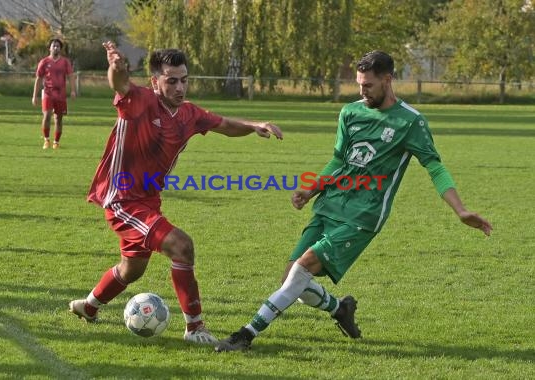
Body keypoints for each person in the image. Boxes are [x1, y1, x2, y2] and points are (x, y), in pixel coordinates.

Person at [215, 50, 493, 352]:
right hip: (330, 204)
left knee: (302, 269)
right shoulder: (350, 112)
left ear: (387, 80)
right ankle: (340, 309)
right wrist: (312, 189)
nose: (362, 91)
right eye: (359, 84)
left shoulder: (410, 122)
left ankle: (245, 335)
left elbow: (435, 167)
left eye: (368, 85)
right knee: (291, 282)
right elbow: (339, 160)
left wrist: (461, 209)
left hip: (363, 215)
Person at [68, 41, 283, 345]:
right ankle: (194, 328)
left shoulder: (188, 114)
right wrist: (115, 67)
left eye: (184, 80)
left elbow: (223, 124)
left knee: (132, 269)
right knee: (182, 246)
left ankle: (88, 307)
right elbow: (121, 84)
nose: (180, 87)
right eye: (172, 80)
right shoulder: (140, 101)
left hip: (148, 200)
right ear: (155, 82)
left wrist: (253, 125)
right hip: (122, 199)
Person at [32, 38, 76, 150]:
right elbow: (38, 79)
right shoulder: (44, 62)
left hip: (61, 94)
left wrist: (73, 90)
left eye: (58, 46)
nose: (56, 48)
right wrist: (34, 95)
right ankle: (46, 140)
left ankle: (56, 142)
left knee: (59, 119)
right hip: (48, 93)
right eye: (54, 46)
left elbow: (70, 76)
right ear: (49, 48)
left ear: (60, 49)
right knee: (47, 115)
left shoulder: (65, 62)